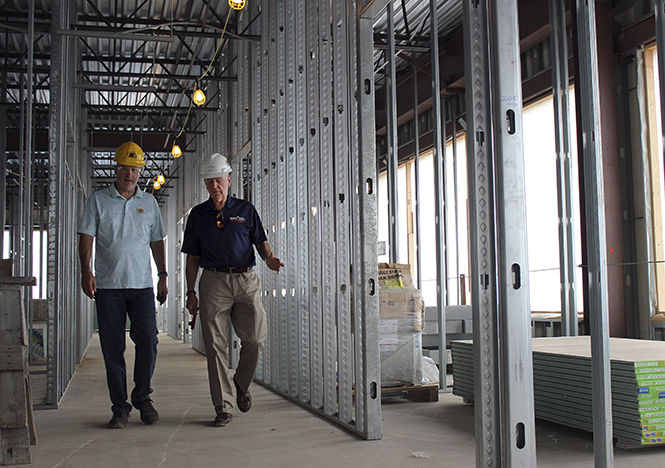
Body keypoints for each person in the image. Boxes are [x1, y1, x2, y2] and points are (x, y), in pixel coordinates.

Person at [182, 152, 283, 427]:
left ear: (229, 179)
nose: (215, 187)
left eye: (219, 181)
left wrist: (270, 258)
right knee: (216, 347)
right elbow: (192, 257)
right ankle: (223, 406)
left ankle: (240, 383)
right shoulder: (198, 216)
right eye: (209, 182)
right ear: (205, 185)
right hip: (213, 282)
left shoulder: (245, 210)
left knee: (256, 339)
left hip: (246, 280)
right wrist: (190, 292)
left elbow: (260, 241)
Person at [78, 141, 168, 429]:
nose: (129, 174)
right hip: (109, 287)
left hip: (141, 286)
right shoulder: (98, 200)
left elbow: (157, 241)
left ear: (141, 172)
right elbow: (86, 236)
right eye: (124, 168)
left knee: (149, 341)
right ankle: (120, 407)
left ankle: (142, 396)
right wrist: (86, 271)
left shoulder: (149, 203)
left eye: (135, 169)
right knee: (112, 347)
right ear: (115, 169)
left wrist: (163, 275)